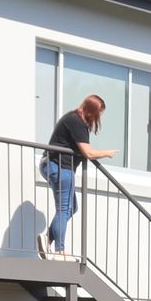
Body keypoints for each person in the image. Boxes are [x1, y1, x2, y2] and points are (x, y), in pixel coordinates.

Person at [39, 94, 115, 256]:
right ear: (91, 112)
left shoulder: (73, 118)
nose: (98, 118)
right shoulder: (76, 122)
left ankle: (47, 239)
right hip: (59, 166)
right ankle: (59, 251)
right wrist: (107, 153)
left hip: (56, 166)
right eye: (98, 114)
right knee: (64, 208)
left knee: (72, 207)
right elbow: (88, 153)